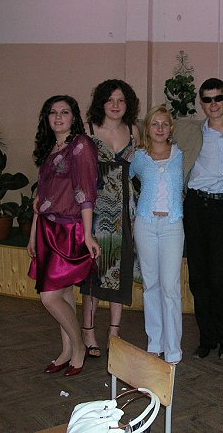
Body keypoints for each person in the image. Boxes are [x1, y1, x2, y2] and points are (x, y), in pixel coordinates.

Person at [27, 95, 100, 377]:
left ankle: (79, 347)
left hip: (70, 229)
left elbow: (86, 192)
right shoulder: (51, 147)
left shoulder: (80, 145)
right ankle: (67, 350)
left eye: (65, 112)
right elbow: (41, 198)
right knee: (64, 292)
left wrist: (88, 235)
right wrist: (33, 234)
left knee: (50, 297)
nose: (58, 117)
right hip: (47, 228)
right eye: (53, 112)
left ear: (74, 117)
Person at [174, 78, 223, 359]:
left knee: (219, 278)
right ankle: (206, 338)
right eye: (207, 99)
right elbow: (150, 125)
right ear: (201, 103)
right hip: (196, 207)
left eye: (218, 98)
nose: (213, 104)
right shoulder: (189, 131)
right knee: (198, 278)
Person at [78, 79, 141, 357]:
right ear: (101, 102)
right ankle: (88, 331)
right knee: (94, 271)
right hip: (95, 210)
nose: (115, 105)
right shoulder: (88, 130)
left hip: (126, 210)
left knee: (120, 269)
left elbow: (140, 170)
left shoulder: (133, 130)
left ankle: (114, 332)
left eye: (121, 100)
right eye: (110, 100)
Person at [130, 105, 185, 364]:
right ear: (147, 128)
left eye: (164, 124)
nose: (160, 128)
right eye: (155, 124)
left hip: (172, 225)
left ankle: (173, 347)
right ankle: (155, 341)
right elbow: (121, 179)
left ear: (171, 128)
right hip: (146, 224)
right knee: (151, 284)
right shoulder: (139, 157)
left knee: (170, 287)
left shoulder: (180, 154)